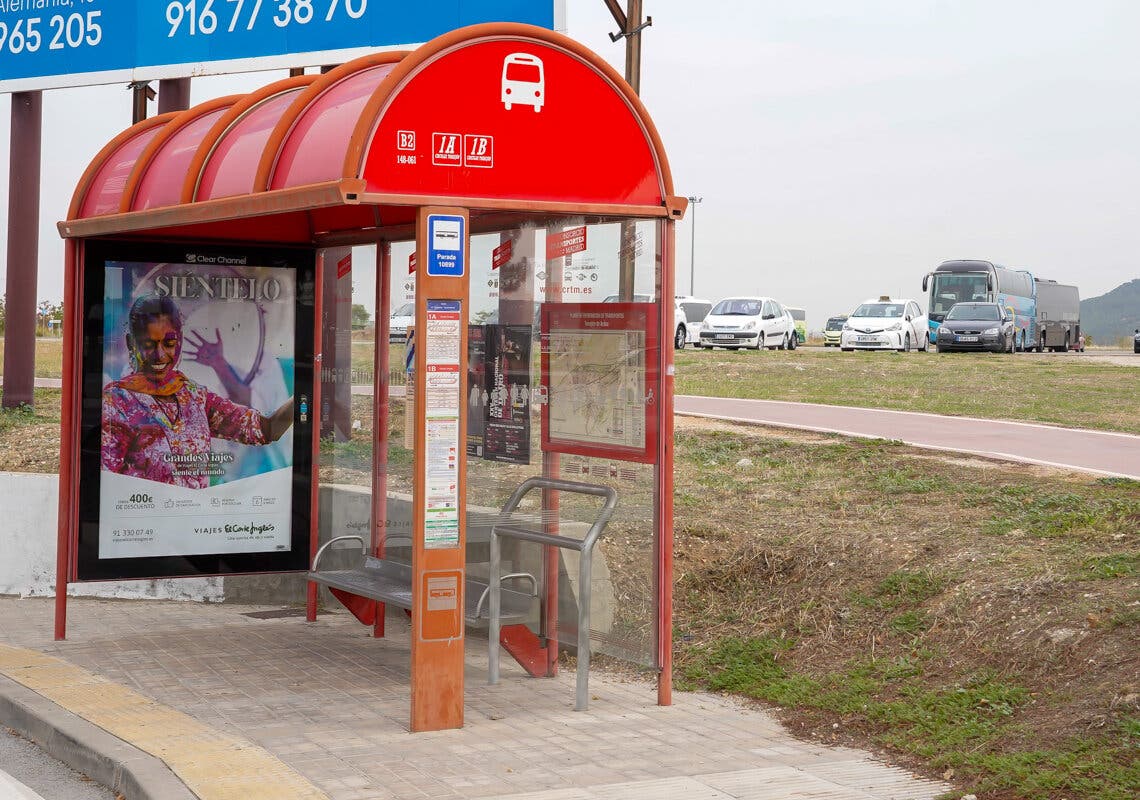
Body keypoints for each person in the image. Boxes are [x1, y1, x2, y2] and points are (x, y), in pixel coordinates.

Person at [101, 295, 293, 489]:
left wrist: (305, 395)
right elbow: (107, 482)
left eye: (168, 343)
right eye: (149, 345)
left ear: (180, 341)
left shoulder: (194, 396)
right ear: (130, 343)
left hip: (195, 517)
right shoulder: (118, 402)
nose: (160, 355)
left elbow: (264, 430)